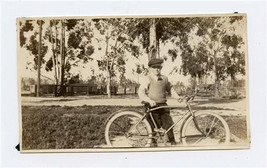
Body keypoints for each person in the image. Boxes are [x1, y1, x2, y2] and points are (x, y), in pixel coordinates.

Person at [138, 58, 180, 146]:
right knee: (152, 125)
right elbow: (141, 92)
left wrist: (178, 98)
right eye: (154, 67)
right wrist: (149, 100)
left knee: (169, 124)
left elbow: (171, 90)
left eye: (159, 67)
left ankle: (172, 142)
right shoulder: (147, 79)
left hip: (163, 106)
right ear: (150, 68)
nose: (157, 69)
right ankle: (153, 143)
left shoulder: (165, 78)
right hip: (151, 106)